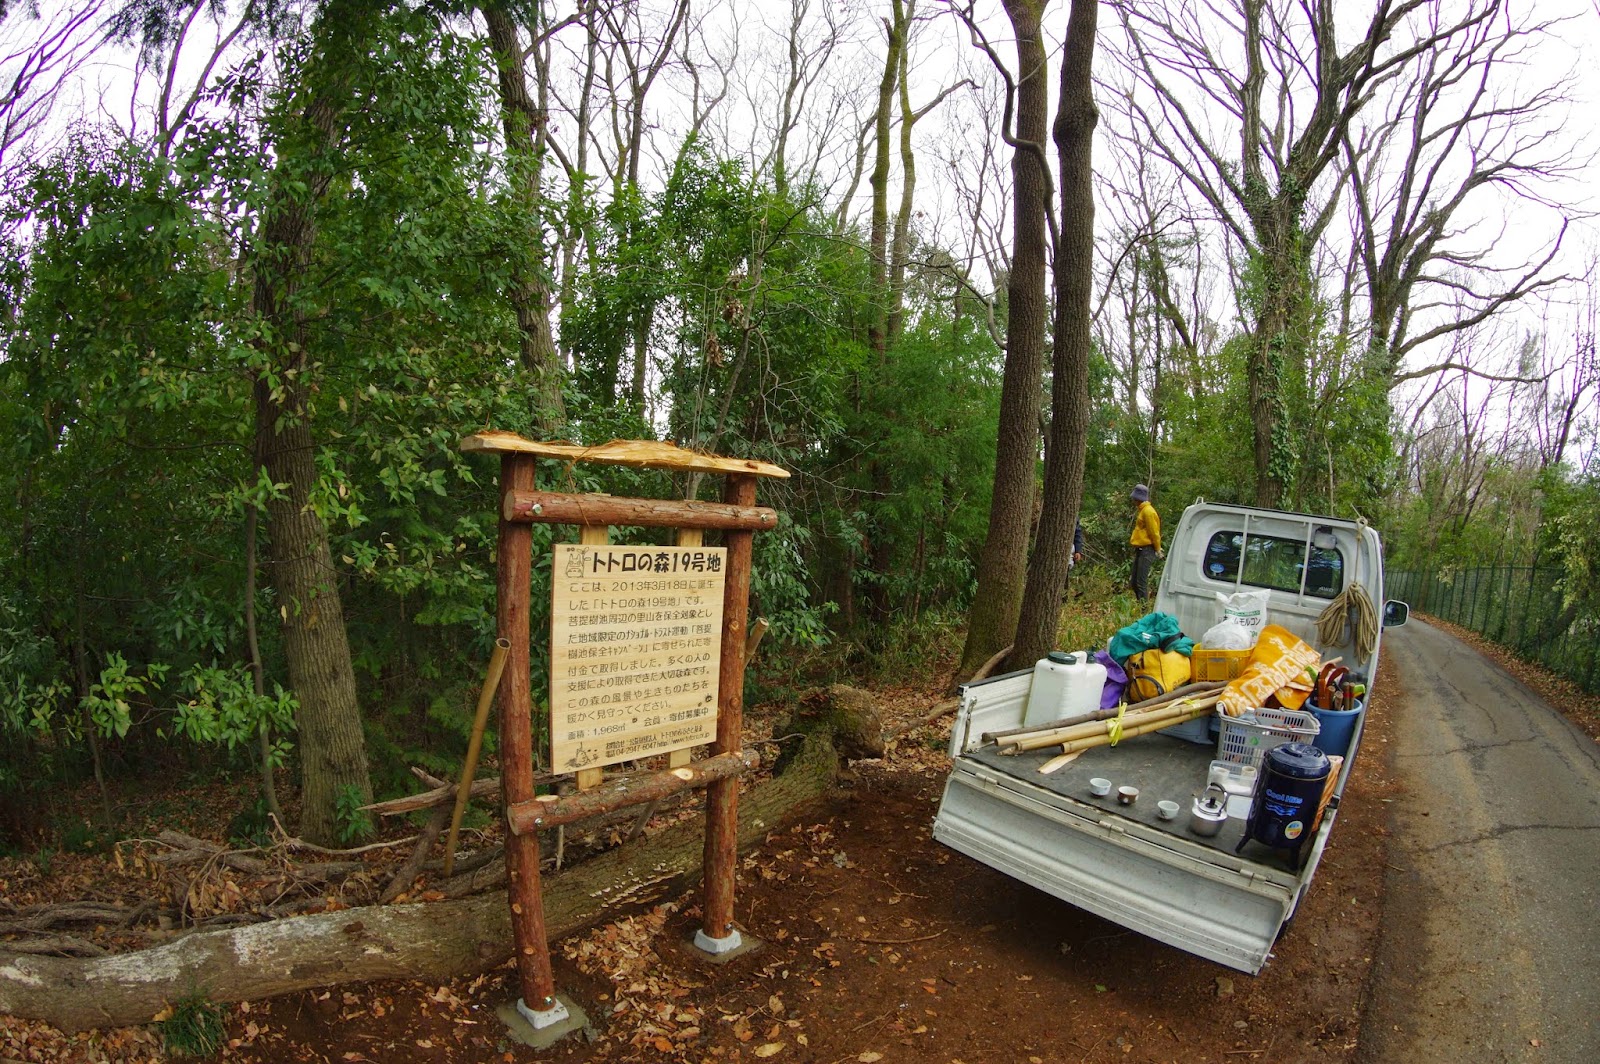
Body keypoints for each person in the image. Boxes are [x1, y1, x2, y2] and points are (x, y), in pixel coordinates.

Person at [1128, 484, 1162, 606]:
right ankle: (1140, 606)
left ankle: (1144, 609)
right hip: (1140, 549)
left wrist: (1158, 549)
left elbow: (1154, 532)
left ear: (1138, 498)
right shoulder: (1143, 510)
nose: (1133, 500)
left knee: (1141, 582)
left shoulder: (1148, 511)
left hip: (1147, 549)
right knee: (1134, 582)